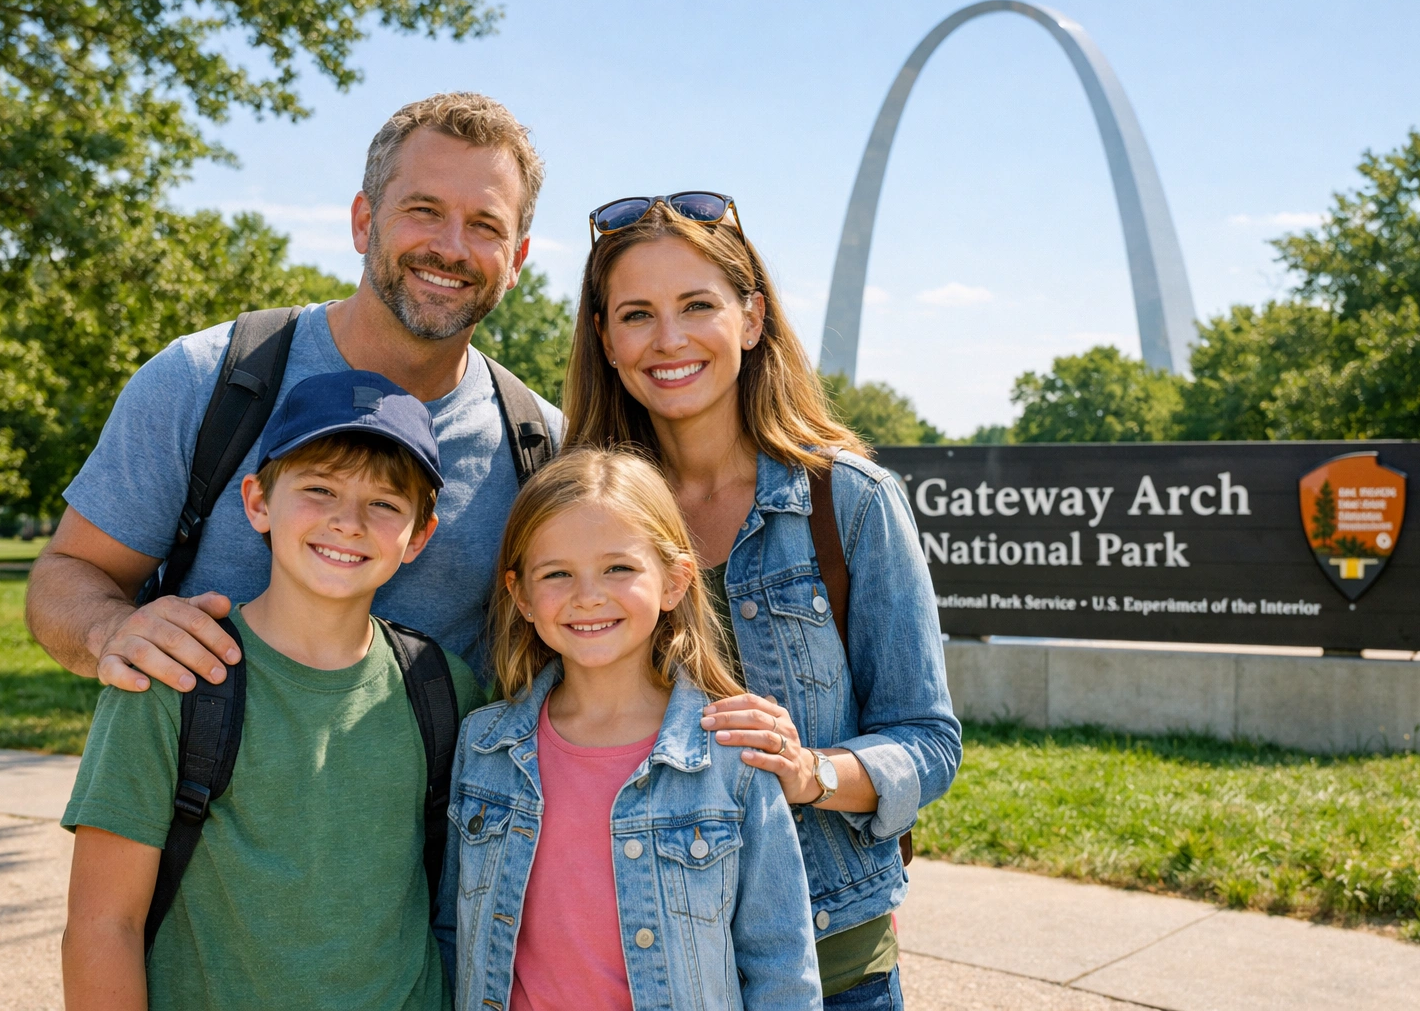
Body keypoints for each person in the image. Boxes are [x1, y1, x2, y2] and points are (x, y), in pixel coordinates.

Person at [562, 194, 962, 1008]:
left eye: (697, 306)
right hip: (635, 961)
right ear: (605, 339)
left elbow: (928, 742)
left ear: (750, 318)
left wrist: (811, 772)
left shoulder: (850, 502)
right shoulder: (577, 515)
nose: (669, 339)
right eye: (637, 314)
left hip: (832, 964)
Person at [26, 91, 562, 694]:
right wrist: (111, 631)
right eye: (424, 210)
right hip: (203, 756)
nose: (452, 247)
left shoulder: (542, 447)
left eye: (485, 225)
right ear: (364, 222)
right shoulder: (204, 379)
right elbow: (70, 572)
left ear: (516, 260)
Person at [61, 370, 488, 1010]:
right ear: (259, 501)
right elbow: (102, 926)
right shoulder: (174, 674)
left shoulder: (442, 688)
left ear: (418, 536)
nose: (348, 522)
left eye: (384, 503)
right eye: (319, 489)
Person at [435, 447, 822, 1011]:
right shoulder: (484, 747)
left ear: (674, 581)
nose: (588, 595)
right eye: (557, 573)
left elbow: (781, 965)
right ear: (522, 596)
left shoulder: (731, 756)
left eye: (618, 568)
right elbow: (454, 934)